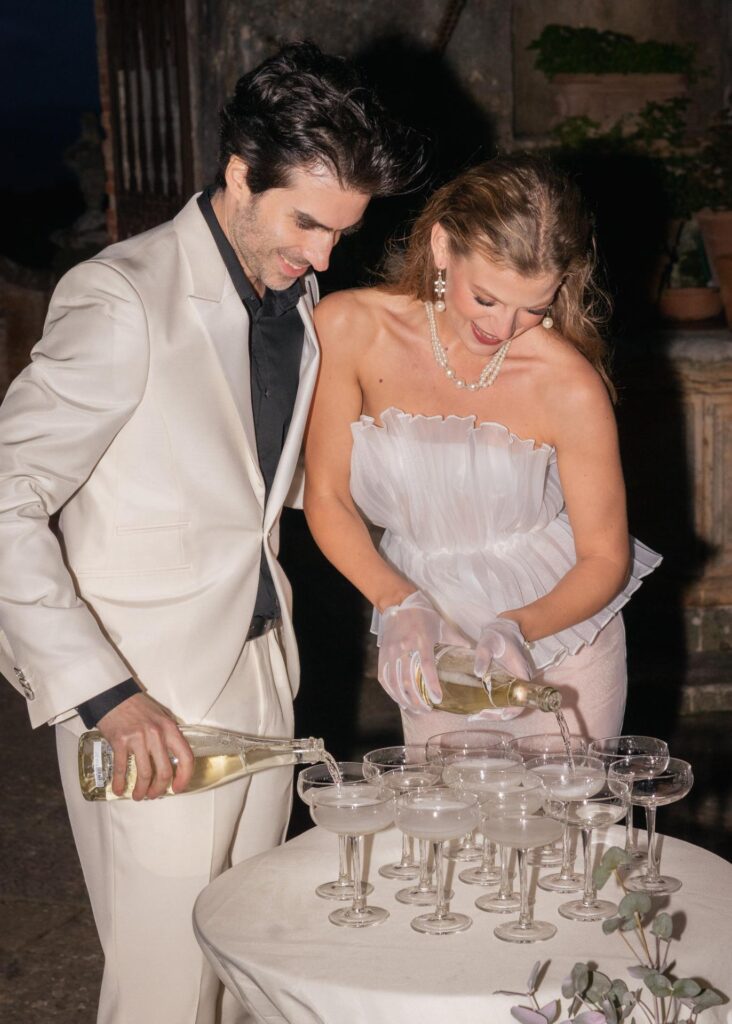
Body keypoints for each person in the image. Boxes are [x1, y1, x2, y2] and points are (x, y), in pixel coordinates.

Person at [0, 42, 423, 1024]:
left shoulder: (299, 291)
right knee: (160, 989)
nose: (323, 255)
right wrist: (104, 694)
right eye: (307, 222)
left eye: (342, 232)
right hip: (144, 697)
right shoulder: (122, 301)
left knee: (244, 966)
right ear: (240, 173)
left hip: (261, 673)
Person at [304, 154, 660, 747]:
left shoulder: (568, 384)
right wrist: (399, 602)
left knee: (568, 836)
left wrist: (518, 626)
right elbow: (327, 496)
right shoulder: (348, 328)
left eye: (535, 307)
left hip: (559, 644)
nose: (505, 326)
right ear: (443, 247)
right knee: (443, 834)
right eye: (488, 298)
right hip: (430, 640)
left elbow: (603, 557)